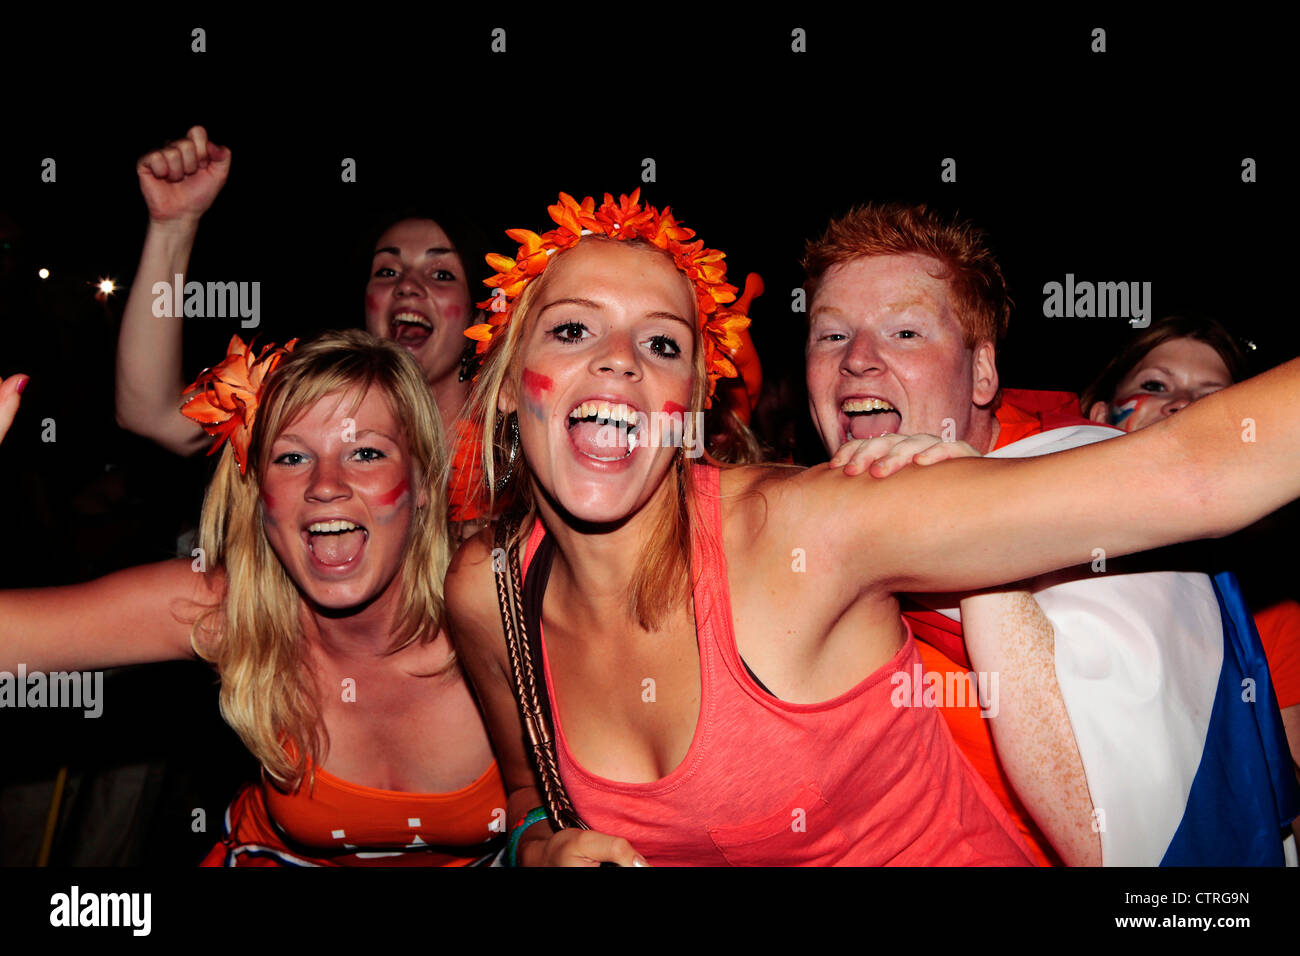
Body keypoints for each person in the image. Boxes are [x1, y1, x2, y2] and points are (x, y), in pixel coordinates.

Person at [443, 189, 1300, 866]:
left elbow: (1199, 470)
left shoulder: (815, 527)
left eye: (662, 345)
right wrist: (536, 847)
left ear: (696, 402)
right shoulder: (487, 595)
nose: (619, 359)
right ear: (512, 378)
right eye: (571, 329)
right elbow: (528, 795)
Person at [803, 205, 1298, 865]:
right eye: (831, 336)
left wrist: (967, 525)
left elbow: (1124, 836)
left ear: (982, 374)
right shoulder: (791, 518)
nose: (859, 361)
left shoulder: (1090, 480)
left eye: (905, 331)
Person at [1, 331, 505, 865]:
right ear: (256, 488)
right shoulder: (229, 608)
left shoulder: (501, 605)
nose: (326, 484)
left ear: (423, 480)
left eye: (364, 452)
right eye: (291, 458)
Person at [113, 125, 490, 524]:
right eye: (387, 270)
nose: (407, 287)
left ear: (479, 316)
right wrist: (173, 226)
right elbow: (150, 413)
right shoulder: (311, 405)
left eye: (442, 274)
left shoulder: (520, 436)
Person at [1081, 313, 1300, 780]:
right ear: (1100, 416)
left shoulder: (1267, 607)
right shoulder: (1028, 541)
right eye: (1156, 386)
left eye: (1213, 399)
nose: (1183, 406)